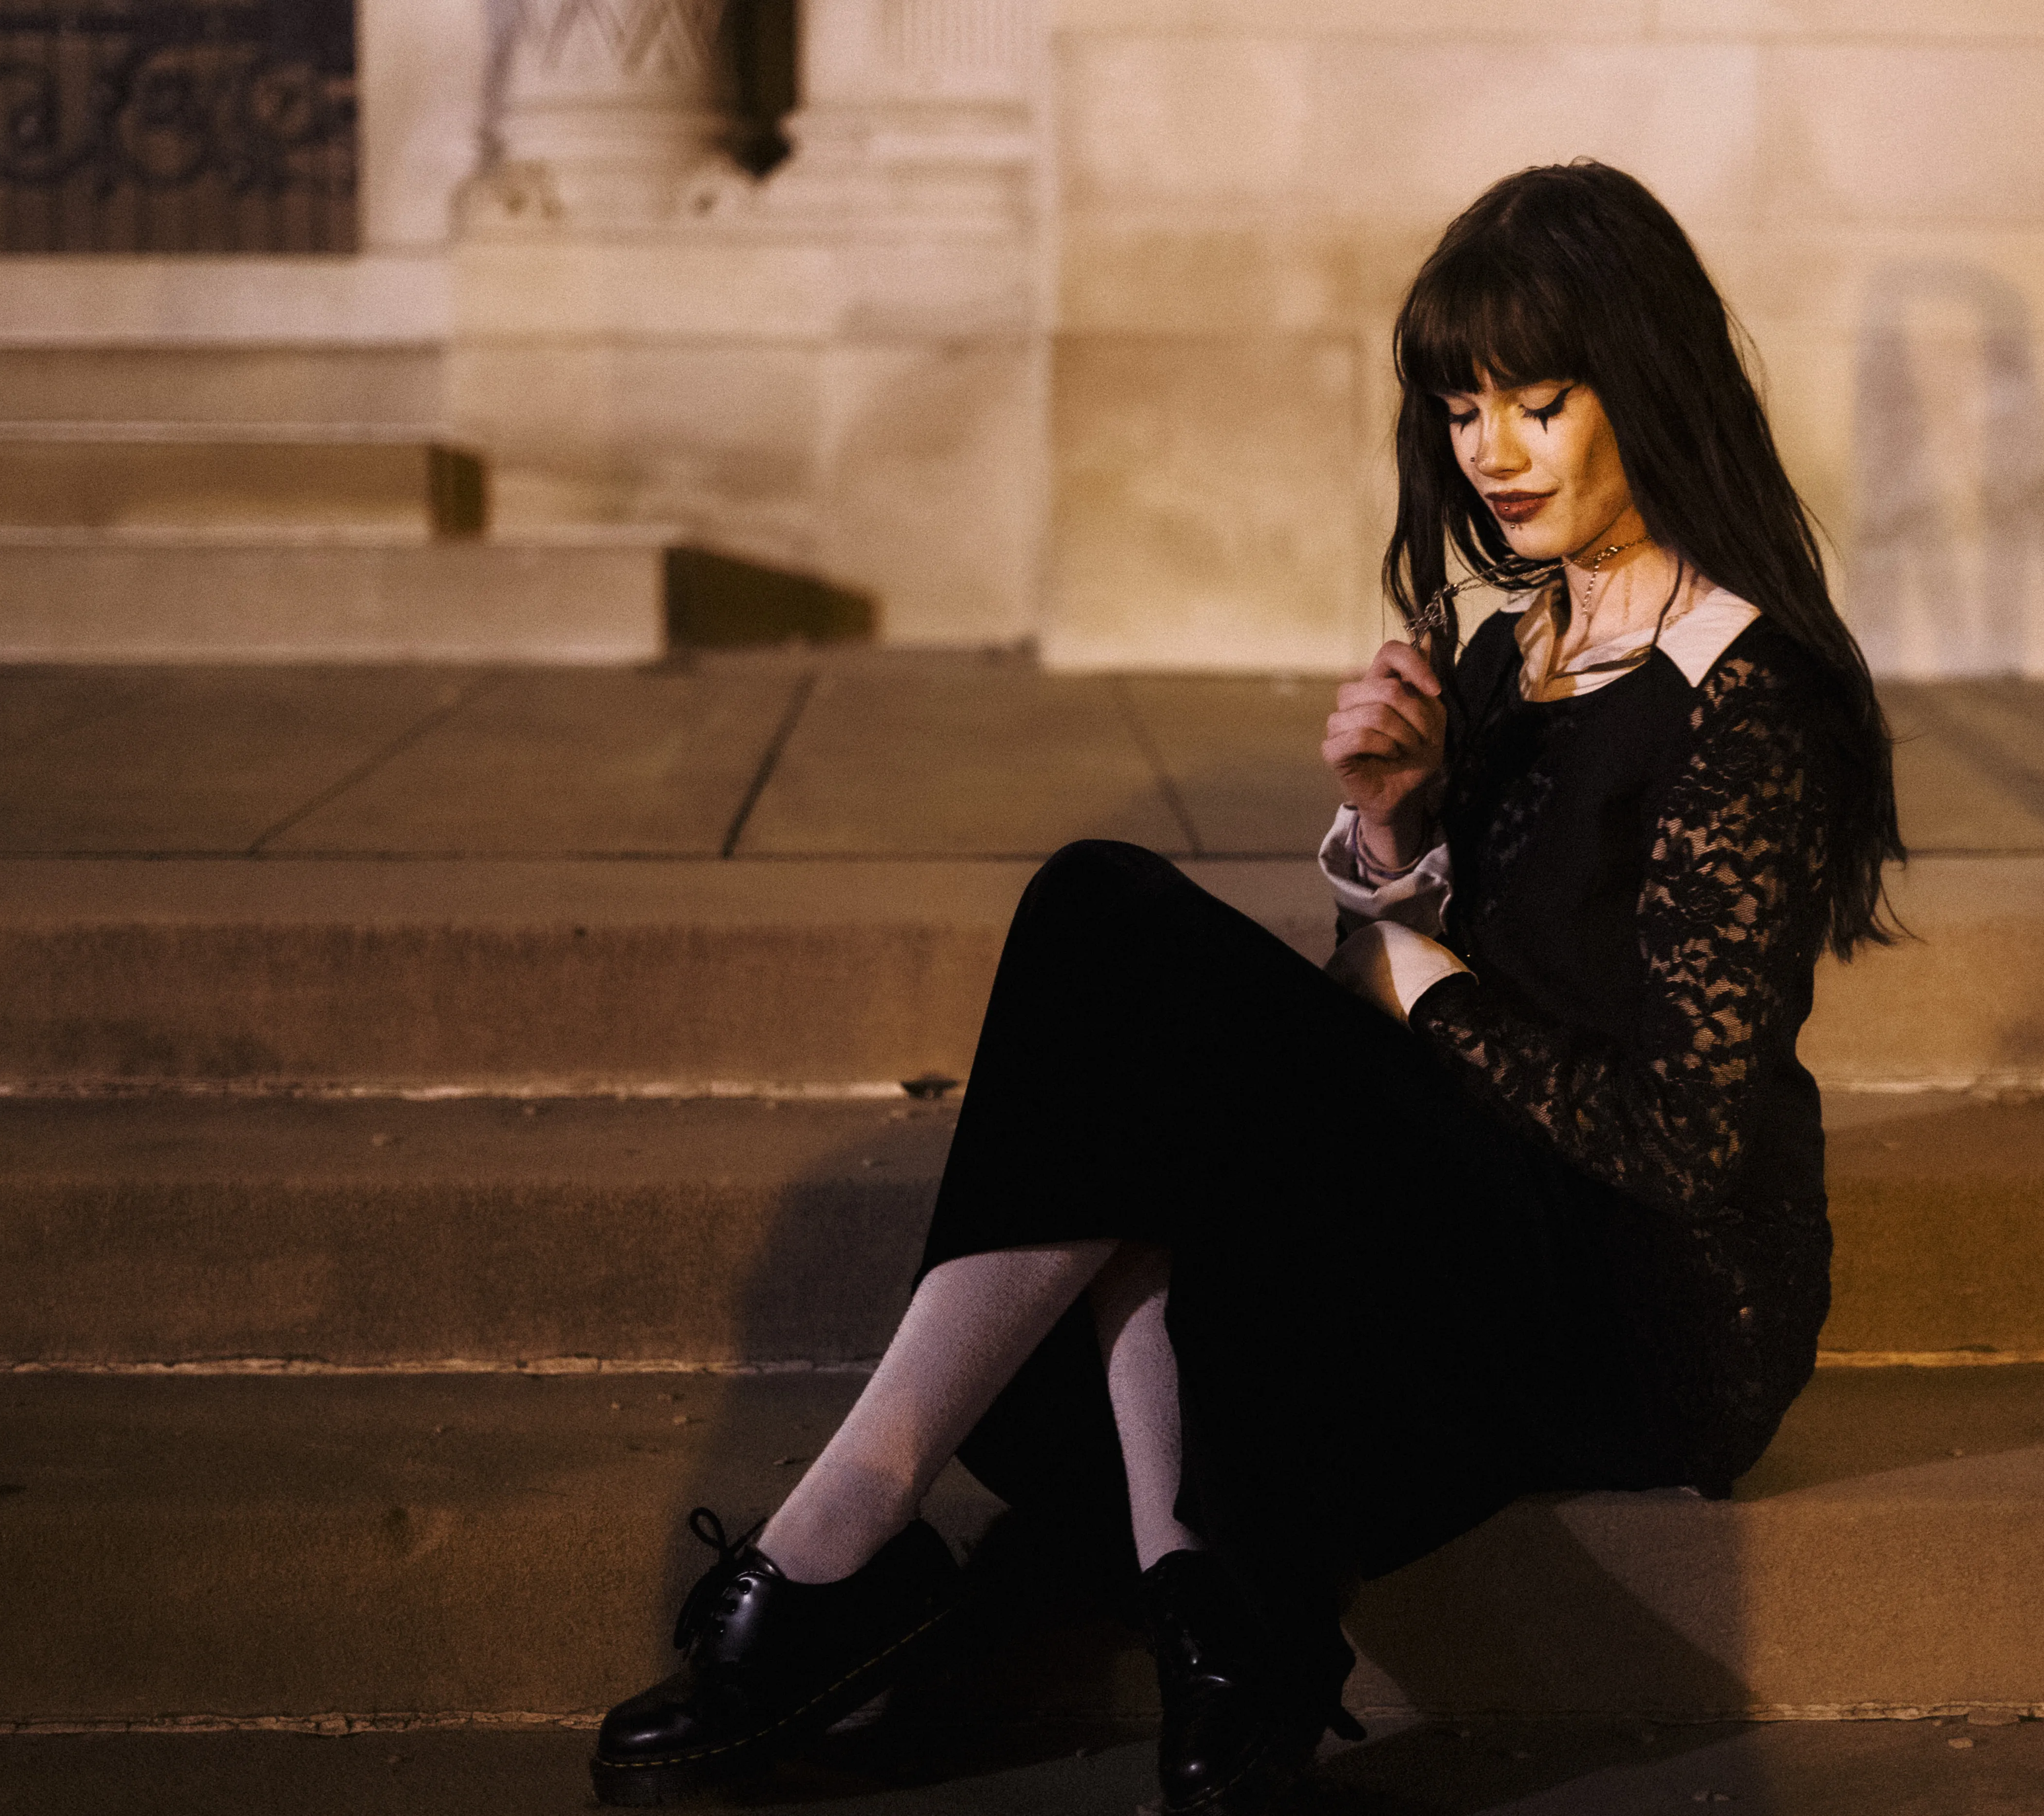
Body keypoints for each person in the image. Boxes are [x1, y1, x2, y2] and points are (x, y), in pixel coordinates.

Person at [587, 157, 1902, 1815]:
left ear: (1645, 385)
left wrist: (1402, 968)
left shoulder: (1748, 692)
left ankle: (863, 1553)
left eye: (1540, 404)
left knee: (1115, 936)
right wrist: (1388, 828)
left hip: (1654, 1300)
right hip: (1493, 1212)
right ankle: (1205, 1610)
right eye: (1459, 408)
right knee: (1130, 1016)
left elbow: (1681, 1137)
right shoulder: (1520, 648)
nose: (1488, 451)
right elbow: (1480, 980)